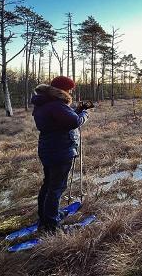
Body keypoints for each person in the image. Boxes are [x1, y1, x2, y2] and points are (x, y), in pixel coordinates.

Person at [31, 76, 89, 232]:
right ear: (62, 90)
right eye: (69, 89)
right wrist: (83, 115)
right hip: (60, 150)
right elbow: (74, 122)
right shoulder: (56, 104)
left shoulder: (44, 103)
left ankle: (46, 217)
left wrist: (76, 111)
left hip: (48, 148)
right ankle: (51, 225)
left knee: (49, 185)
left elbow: (59, 120)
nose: (70, 92)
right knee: (56, 188)